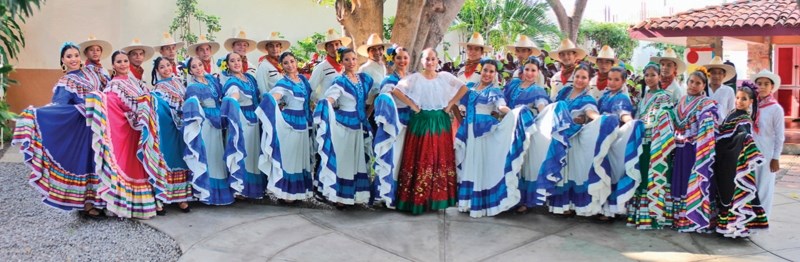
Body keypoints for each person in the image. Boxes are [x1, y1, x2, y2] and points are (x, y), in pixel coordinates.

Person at [13, 42, 106, 218]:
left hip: (98, 126)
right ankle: (86, 205)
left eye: (76, 55)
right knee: (84, 163)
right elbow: (60, 107)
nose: (73, 59)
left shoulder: (91, 73)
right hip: (80, 129)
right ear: (62, 60)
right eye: (69, 56)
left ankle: (102, 199)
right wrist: (38, 114)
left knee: (98, 162)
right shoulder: (66, 82)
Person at [87, 50, 166, 219]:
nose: (123, 64)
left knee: (145, 167)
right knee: (133, 168)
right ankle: (129, 205)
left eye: (125, 61)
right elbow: (111, 106)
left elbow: (149, 99)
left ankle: (150, 201)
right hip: (129, 133)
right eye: (119, 62)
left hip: (142, 133)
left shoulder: (136, 82)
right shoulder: (113, 85)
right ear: (113, 65)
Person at [389, 48, 468, 214]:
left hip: (440, 121)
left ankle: (436, 199)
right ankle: (418, 200)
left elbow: (463, 88)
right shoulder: (415, 78)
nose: (430, 62)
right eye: (427, 59)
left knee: (439, 158)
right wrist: (413, 106)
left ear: (437, 60)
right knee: (422, 158)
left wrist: (450, 104)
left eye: (433, 59)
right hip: (421, 121)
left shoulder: (445, 77)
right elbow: (396, 90)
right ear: (422, 61)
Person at [454, 59, 534, 218]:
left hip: (484, 134)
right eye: (485, 70)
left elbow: (500, 106)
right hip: (469, 131)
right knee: (469, 164)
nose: (487, 74)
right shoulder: (469, 88)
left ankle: (481, 205)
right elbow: (455, 103)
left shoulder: (495, 91)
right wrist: (461, 121)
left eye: (491, 71)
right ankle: (467, 203)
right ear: (480, 70)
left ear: (495, 74)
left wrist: (512, 113)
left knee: (480, 166)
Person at [549, 63, 616, 217]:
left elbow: (591, 112)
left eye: (584, 77)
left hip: (573, 140)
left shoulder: (588, 98)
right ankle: (561, 205)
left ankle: (573, 204)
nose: (579, 80)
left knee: (573, 172)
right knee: (563, 171)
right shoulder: (564, 92)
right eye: (577, 76)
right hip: (559, 137)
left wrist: (601, 119)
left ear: (589, 80)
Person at [315, 47, 375, 209]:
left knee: (358, 160)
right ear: (341, 62)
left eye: (354, 59)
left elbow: (375, 94)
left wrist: (368, 113)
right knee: (345, 160)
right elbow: (331, 97)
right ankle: (341, 196)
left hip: (360, 124)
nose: (351, 62)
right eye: (347, 59)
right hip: (344, 126)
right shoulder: (340, 81)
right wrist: (325, 103)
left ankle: (356, 195)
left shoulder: (364, 79)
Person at [256, 52, 315, 204]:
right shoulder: (283, 83)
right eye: (286, 63)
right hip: (289, 124)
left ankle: (298, 192)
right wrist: (270, 103)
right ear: (282, 66)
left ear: (296, 62)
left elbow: (310, 99)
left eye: (292, 61)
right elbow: (273, 96)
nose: (290, 65)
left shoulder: (303, 80)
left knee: (300, 157)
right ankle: (286, 193)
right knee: (289, 158)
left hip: (303, 122)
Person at [713, 81, 768, 238]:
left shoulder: (744, 119)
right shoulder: (732, 113)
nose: (739, 101)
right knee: (725, 193)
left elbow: (744, 134)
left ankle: (737, 228)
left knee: (733, 193)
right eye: (737, 97)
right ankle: (728, 226)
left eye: (744, 99)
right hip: (724, 159)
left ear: (751, 102)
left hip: (734, 162)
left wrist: (743, 138)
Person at [627, 63, 677, 229]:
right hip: (642, 142)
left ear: (659, 77)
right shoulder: (645, 95)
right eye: (646, 75)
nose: (649, 78)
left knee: (654, 176)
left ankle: (655, 215)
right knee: (643, 176)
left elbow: (666, 117)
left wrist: (649, 122)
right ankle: (641, 216)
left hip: (656, 143)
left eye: (652, 75)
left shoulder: (664, 96)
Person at [671, 67, 718, 233]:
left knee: (694, 180)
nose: (693, 85)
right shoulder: (682, 100)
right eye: (691, 81)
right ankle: (681, 218)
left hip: (696, 150)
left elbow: (711, 121)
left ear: (704, 86)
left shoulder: (707, 103)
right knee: (681, 181)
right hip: (680, 148)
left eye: (698, 83)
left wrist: (706, 119)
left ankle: (695, 218)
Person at [182, 56, 234, 205]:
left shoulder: (211, 80)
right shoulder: (192, 87)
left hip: (217, 120)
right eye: (194, 67)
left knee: (218, 154)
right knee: (209, 154)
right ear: (190, 71)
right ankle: (207, 192)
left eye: (200, 64)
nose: (198, 68)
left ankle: (220, 190)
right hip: (205, 122)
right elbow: (193, 106)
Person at [502, 56, 551, 213]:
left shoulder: (537, 90)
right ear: (522, 71)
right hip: (509, 127)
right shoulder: (513, 85)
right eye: (527, 69)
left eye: (533, 70)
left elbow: (542, 106)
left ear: (538, 73)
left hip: (524, 131)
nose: (529, 73)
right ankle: (507, 196)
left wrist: (548, 116)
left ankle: (523, 200)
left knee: (521, 163)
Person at [597, 67, 645, 222]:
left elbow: (623, 113)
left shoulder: (622, 98)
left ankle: (610, 211)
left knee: (610, 174)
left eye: (616, 79)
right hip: (603, 139)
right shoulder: (606, 96)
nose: (612, 82)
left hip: (612, 140)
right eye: (610, 79)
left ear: (624, 81)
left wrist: (630, 123)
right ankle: (602, 207)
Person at [219, 52, 265, 200]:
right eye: (232, 61)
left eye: (238, 60)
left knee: (253, 153)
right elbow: (234, 95)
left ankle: (254, 188)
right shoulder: (232, 82)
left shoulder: (250, 78)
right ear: (228, 65)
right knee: (242, 152)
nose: (236, 63)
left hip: (254, 119)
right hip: (242, 120)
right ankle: (240, 187)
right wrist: (233, 101)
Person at [150, 57, 193, 212]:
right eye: (162, 67)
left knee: (182, 159)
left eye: (168, 65)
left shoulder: (179, 83)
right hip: (168, 129)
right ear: (157, 71)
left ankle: (181, 197)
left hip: (182, 129)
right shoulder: (158, 89)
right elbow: (159, 110)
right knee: (168, 159)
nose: (166, 69)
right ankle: (161, 197)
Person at [373, 45, 412, 208]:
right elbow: (384, 100)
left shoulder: (413, 78)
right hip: (395, 125)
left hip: (411, 123)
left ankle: (405, 195)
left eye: (405, 57)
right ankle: (388, 195)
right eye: (398, 58)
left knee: (407, 160)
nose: (402, 61)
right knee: (393, 159)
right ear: (392, 60)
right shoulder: (389, 80)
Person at [751, 69, 784, 218]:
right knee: (750, 184)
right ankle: (749, 218)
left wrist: (776, 157)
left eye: (766, 84)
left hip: (766, 152)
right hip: (750, 151)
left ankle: (762, 219)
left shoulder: (775, 109)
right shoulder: (751, 104)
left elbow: (779, 135)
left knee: (764, 186)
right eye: (759, 84)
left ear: (772, 87)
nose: (762, 87)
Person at [309, 28, 351, 100]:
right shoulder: (321, 67)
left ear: (341, 45)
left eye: (337, 44)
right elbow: (310, 87)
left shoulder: (346, 66)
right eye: (330, 46)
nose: (334, 48)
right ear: (326, 49)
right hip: (327, 107)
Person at [703, 56, 736, 122]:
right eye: (713, 73)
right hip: (704, 128)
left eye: (720, 73)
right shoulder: (703, 90)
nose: (716, 76)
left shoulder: (729, 91)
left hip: (722, 128)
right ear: (708, 75)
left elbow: (732, 111)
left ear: (724, 75)